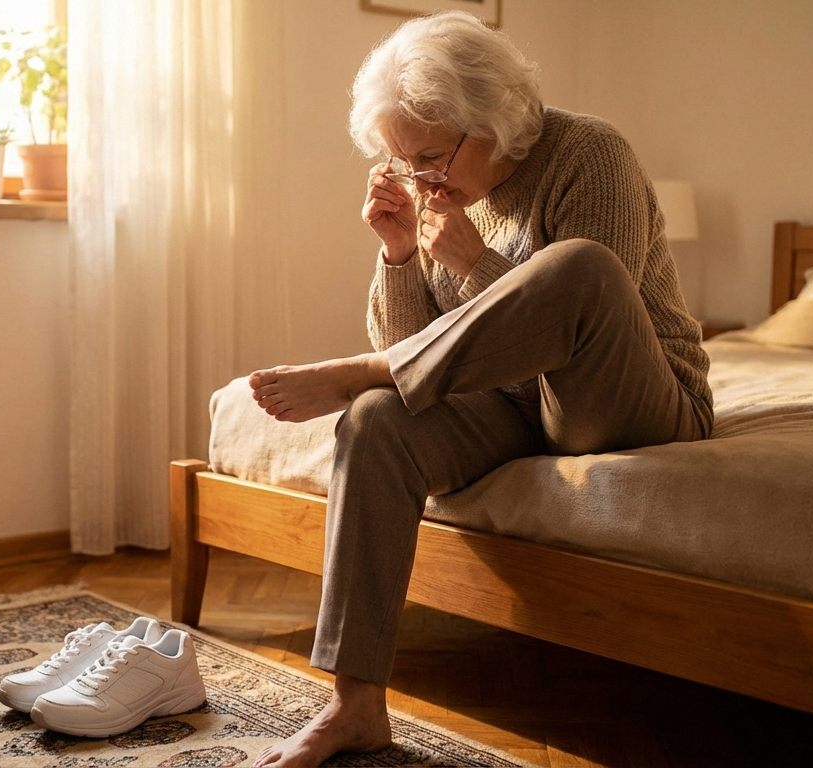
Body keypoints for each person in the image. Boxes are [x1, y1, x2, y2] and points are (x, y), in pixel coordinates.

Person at [247, 11, 713, 768]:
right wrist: (400, 254)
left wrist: (475, 265)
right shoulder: (434, 193)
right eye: (403, 163)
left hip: (631, 399)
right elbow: (420, 358)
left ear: (492, 115)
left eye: (431, 156)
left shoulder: (589, 154)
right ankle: (355, 704)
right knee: (373, 418)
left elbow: (582, 323)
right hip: (516, 406)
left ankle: (356, 378)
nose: (422, 179)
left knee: (580, 266)